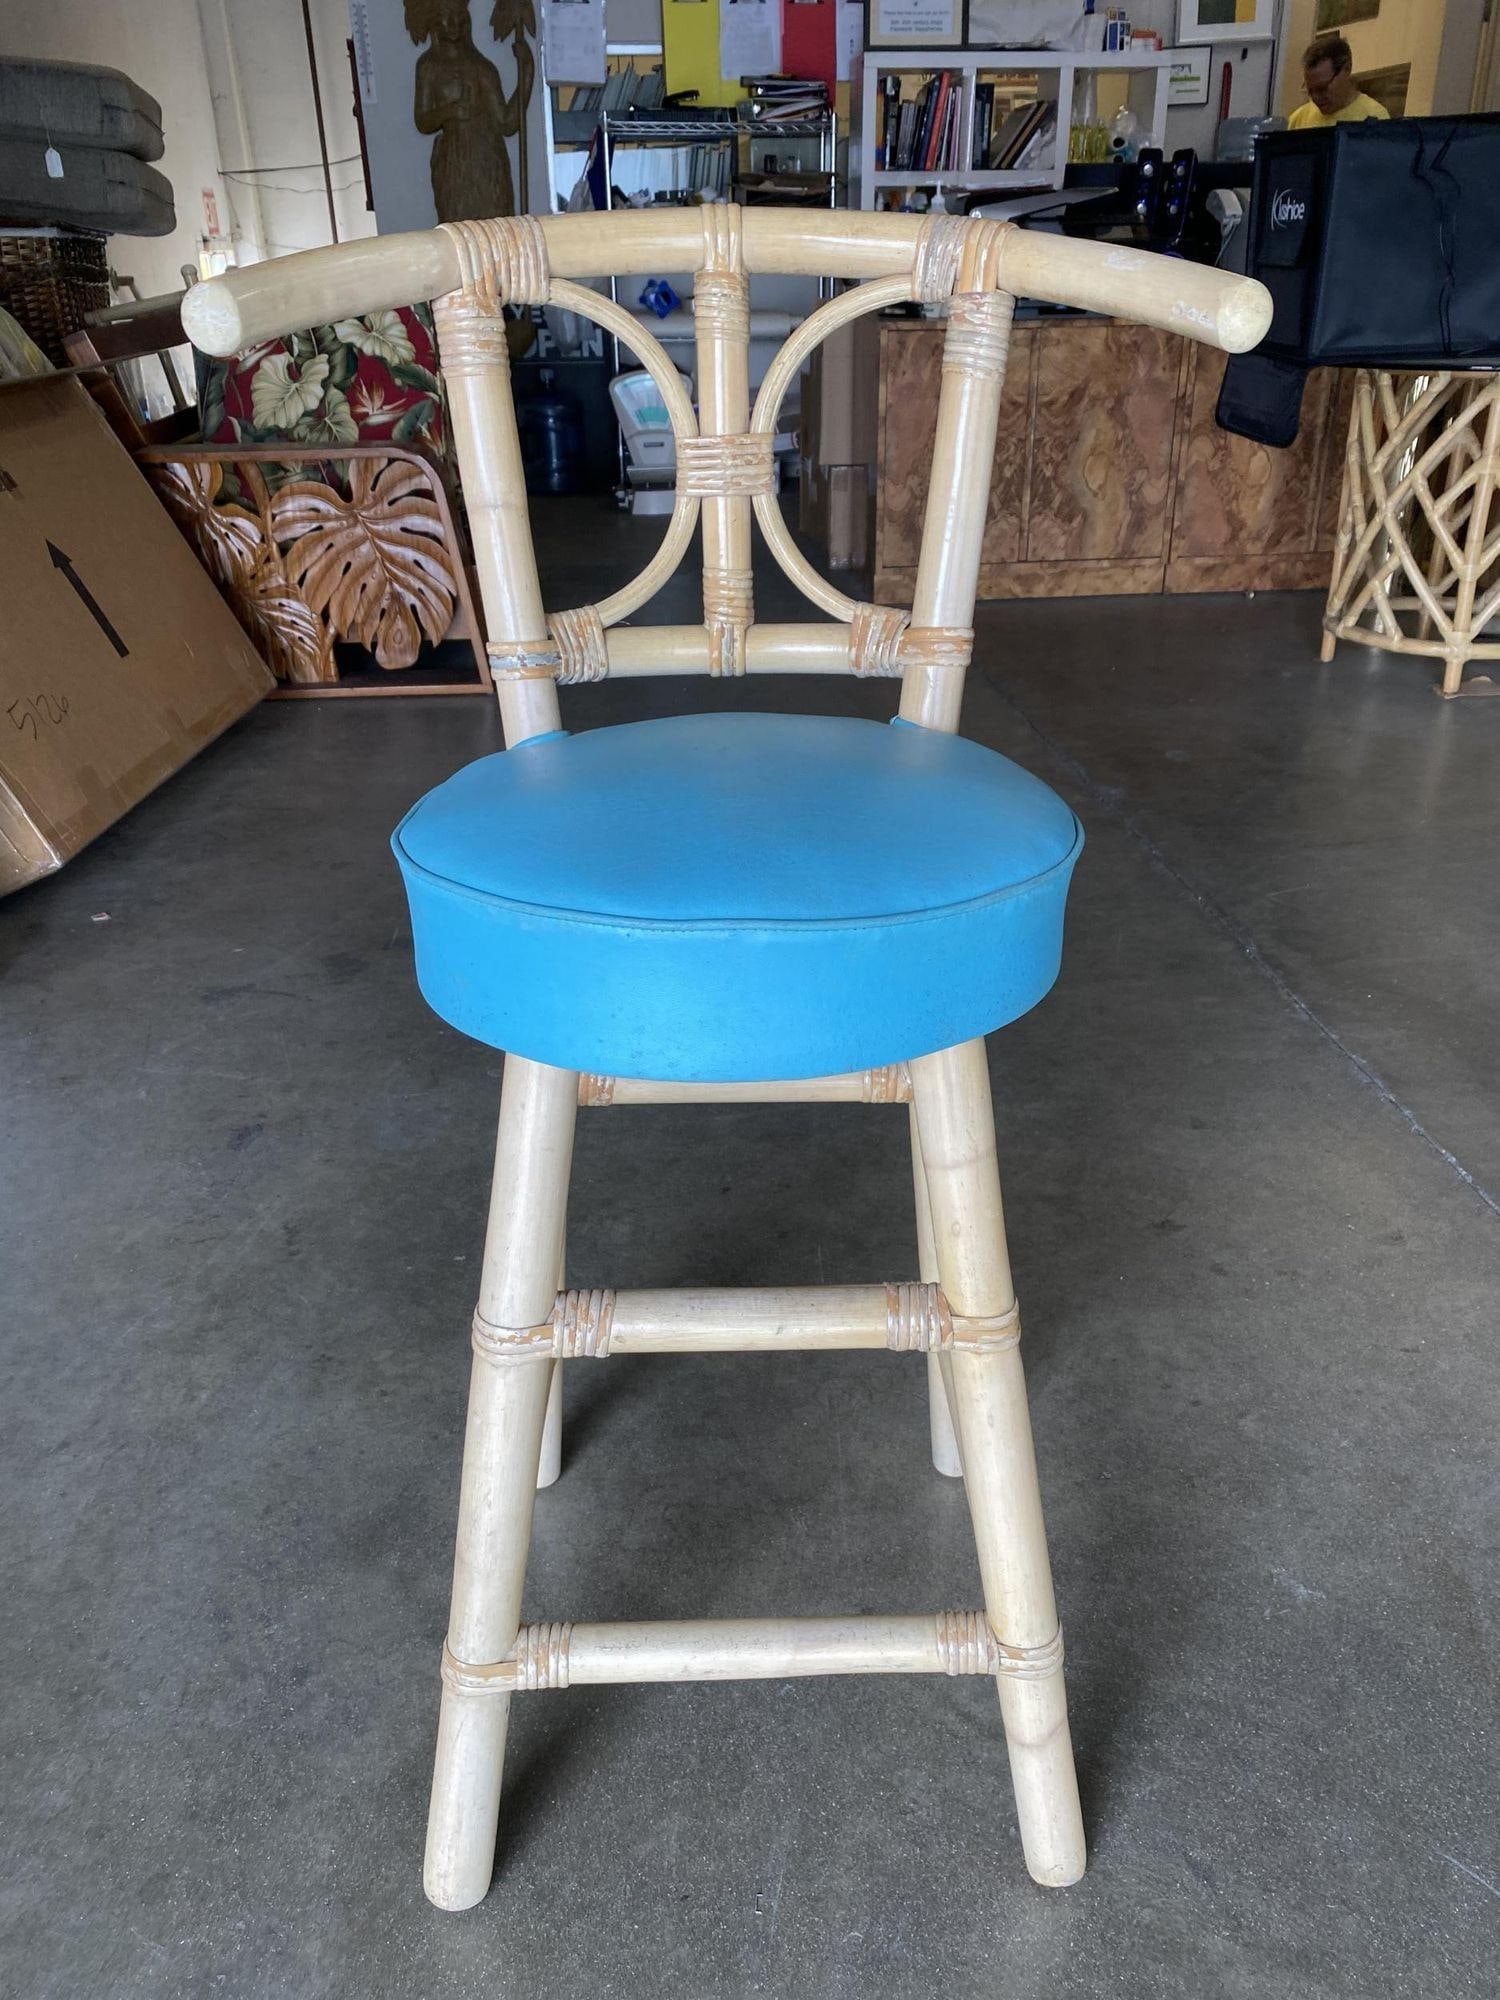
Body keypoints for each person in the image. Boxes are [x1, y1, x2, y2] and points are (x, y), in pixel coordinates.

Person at [1288, 36, 1391, 129]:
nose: (1316, 97)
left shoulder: (1376, 118)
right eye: (1310, 91)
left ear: (1347, 69)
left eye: (1322, 89)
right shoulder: (1298, 119)